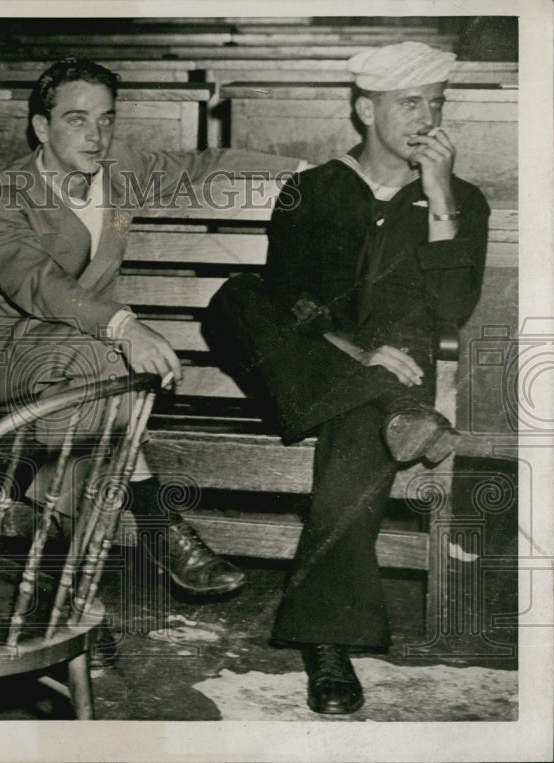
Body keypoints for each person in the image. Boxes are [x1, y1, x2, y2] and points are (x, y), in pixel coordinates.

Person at [202, 42, 489, 714]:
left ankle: (326, 647)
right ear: (365, 108)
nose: (426, 116)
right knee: (235, 298)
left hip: (389, 383)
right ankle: (392, 410)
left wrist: (440, 194)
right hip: (316, 368)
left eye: (436, 104)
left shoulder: (461, 200)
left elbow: (452, 310)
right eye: (409, 102)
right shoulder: (316, 188)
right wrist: (357, 360)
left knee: (360, 427)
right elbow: (290, 298)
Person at [0, 58, 303, 596]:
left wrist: (306, 170)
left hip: (84, 372)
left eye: (106, 119)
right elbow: (35, 282)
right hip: (4, 355)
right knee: (104, 365)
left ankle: (71, 590)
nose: (96, 136)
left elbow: (204, 164)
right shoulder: (2, 194)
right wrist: (121, 325)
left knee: (89, 399)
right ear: (40, 127)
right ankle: (157, 523)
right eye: (77, 119)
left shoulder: (120, 169)